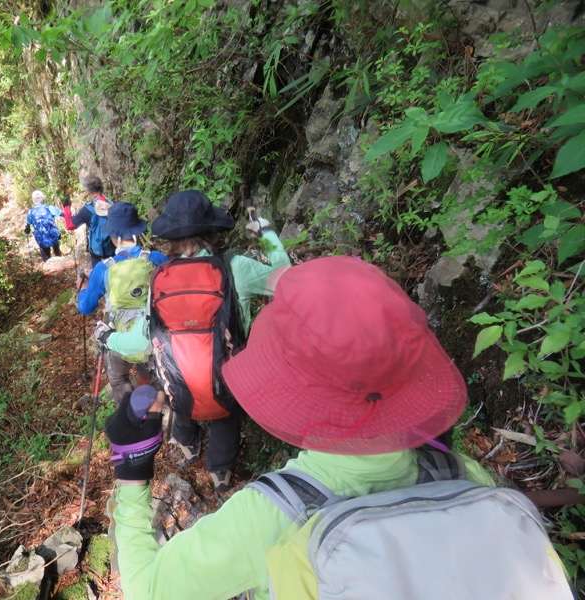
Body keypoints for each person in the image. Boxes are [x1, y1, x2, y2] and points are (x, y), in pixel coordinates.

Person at [105, 256, 566, 600]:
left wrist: (131, 474)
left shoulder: (267, 518)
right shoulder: (465, 476)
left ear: (290, 392)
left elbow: (147, 589)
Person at [148, 190, 291, 491]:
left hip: (180, 384)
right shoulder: (233, 267)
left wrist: (109, 337)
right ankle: (220, 473)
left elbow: (147, 337)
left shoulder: (158, 278)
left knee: (183, 382)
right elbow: (286, 278)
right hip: (227, 382)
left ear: (170, 239)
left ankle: (187, 445)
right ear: (212, 232)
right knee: (226, 412)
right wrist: (265, 235)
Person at [77, 202, 168, 402]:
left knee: (118, 378)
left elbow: (85, 307)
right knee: (146, 366)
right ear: (138, 231)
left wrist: (82, 289)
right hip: (151, 332)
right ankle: (145, 399)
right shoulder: (156, 258)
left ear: (113, 237)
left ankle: (129, 414)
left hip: (118, 334)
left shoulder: (104, 268)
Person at [62, 175, 116, 267]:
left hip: (97, 254)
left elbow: (70, 225)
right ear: (101, 187)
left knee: (99, 277)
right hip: (114, 250)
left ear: (87, 191)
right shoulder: (113, 205)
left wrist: (67, 208)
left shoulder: (87, 210)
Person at [24, 190, 63, 261]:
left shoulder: (30, 212)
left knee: (46, 257)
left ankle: (48, 263)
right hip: (53, 236)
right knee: (57, 252)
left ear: (33, 200)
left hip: (41, 238)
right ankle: (59, 259)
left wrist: (26, 231)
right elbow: (63, 214)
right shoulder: (49, 208)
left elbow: (27, 229)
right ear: (42, 199)